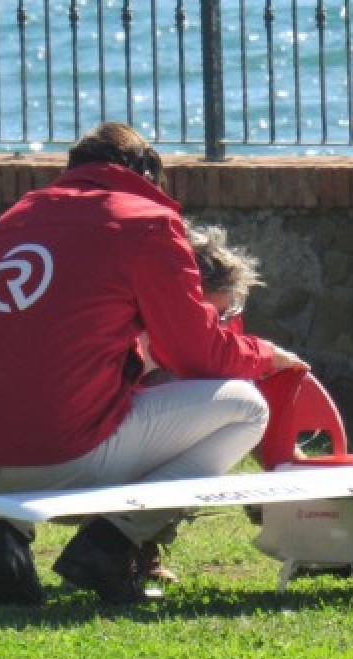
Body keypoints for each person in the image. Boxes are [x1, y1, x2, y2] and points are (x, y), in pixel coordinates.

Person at [0, 122, 307, 606]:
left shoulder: (16, 218)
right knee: (246, 408)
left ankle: (9, 533)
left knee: (54, 381)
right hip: (62, 458)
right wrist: (264, 356)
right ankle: (112, 544)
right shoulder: (146, 223)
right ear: (146, 173)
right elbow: (196, 354)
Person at [132, 222, 265, 583]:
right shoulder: (144, 322)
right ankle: (131, 547)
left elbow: (242, 395)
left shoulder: (224, 326)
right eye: (210, 314)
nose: (218, 324)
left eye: (224, 315)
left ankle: (140, 547)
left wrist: (278, 475)